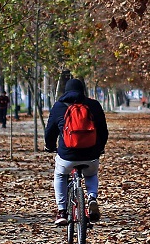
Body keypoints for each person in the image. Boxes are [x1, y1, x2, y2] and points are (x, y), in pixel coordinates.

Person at [44, 78, 108, 226]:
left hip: (67, 155)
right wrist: (100, 148)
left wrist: (49, 146)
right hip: (91, 154)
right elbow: (103, 131)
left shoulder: (59, 106)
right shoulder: (94, 105)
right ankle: (92, 197)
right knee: (91, 174)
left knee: (60, 174)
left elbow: (50, 132)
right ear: (83, 90)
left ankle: (61, 211)